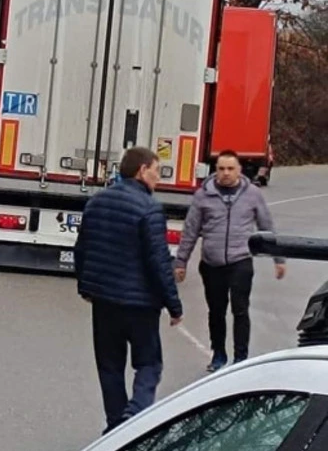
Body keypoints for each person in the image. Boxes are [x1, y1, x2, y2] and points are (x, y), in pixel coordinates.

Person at [74, 147, 183, 434]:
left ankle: (114, 426)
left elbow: (82, 249)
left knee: (109, 366)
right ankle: (134, 417)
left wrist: (85, 286)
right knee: (148, 364)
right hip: (140, 305)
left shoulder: (96, 203)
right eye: (157, 171)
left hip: (104, 302)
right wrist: (174, 305)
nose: (159, 178)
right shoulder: (150, 208)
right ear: (141, 170)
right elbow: (158, 261)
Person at [174, 149, 286, 372]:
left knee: (240, 309)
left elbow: (266, 225)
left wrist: (278, 258)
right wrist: (181, 262)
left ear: (239, 170)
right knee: (216, 311)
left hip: (240, 261)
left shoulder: (252, 194)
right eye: (221, 169)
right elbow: (190, 230)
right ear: (215, 170)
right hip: (212, 263)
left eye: (230, 169)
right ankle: (218, 354)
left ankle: (241, 358)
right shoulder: (203, 195)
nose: (225, 173)